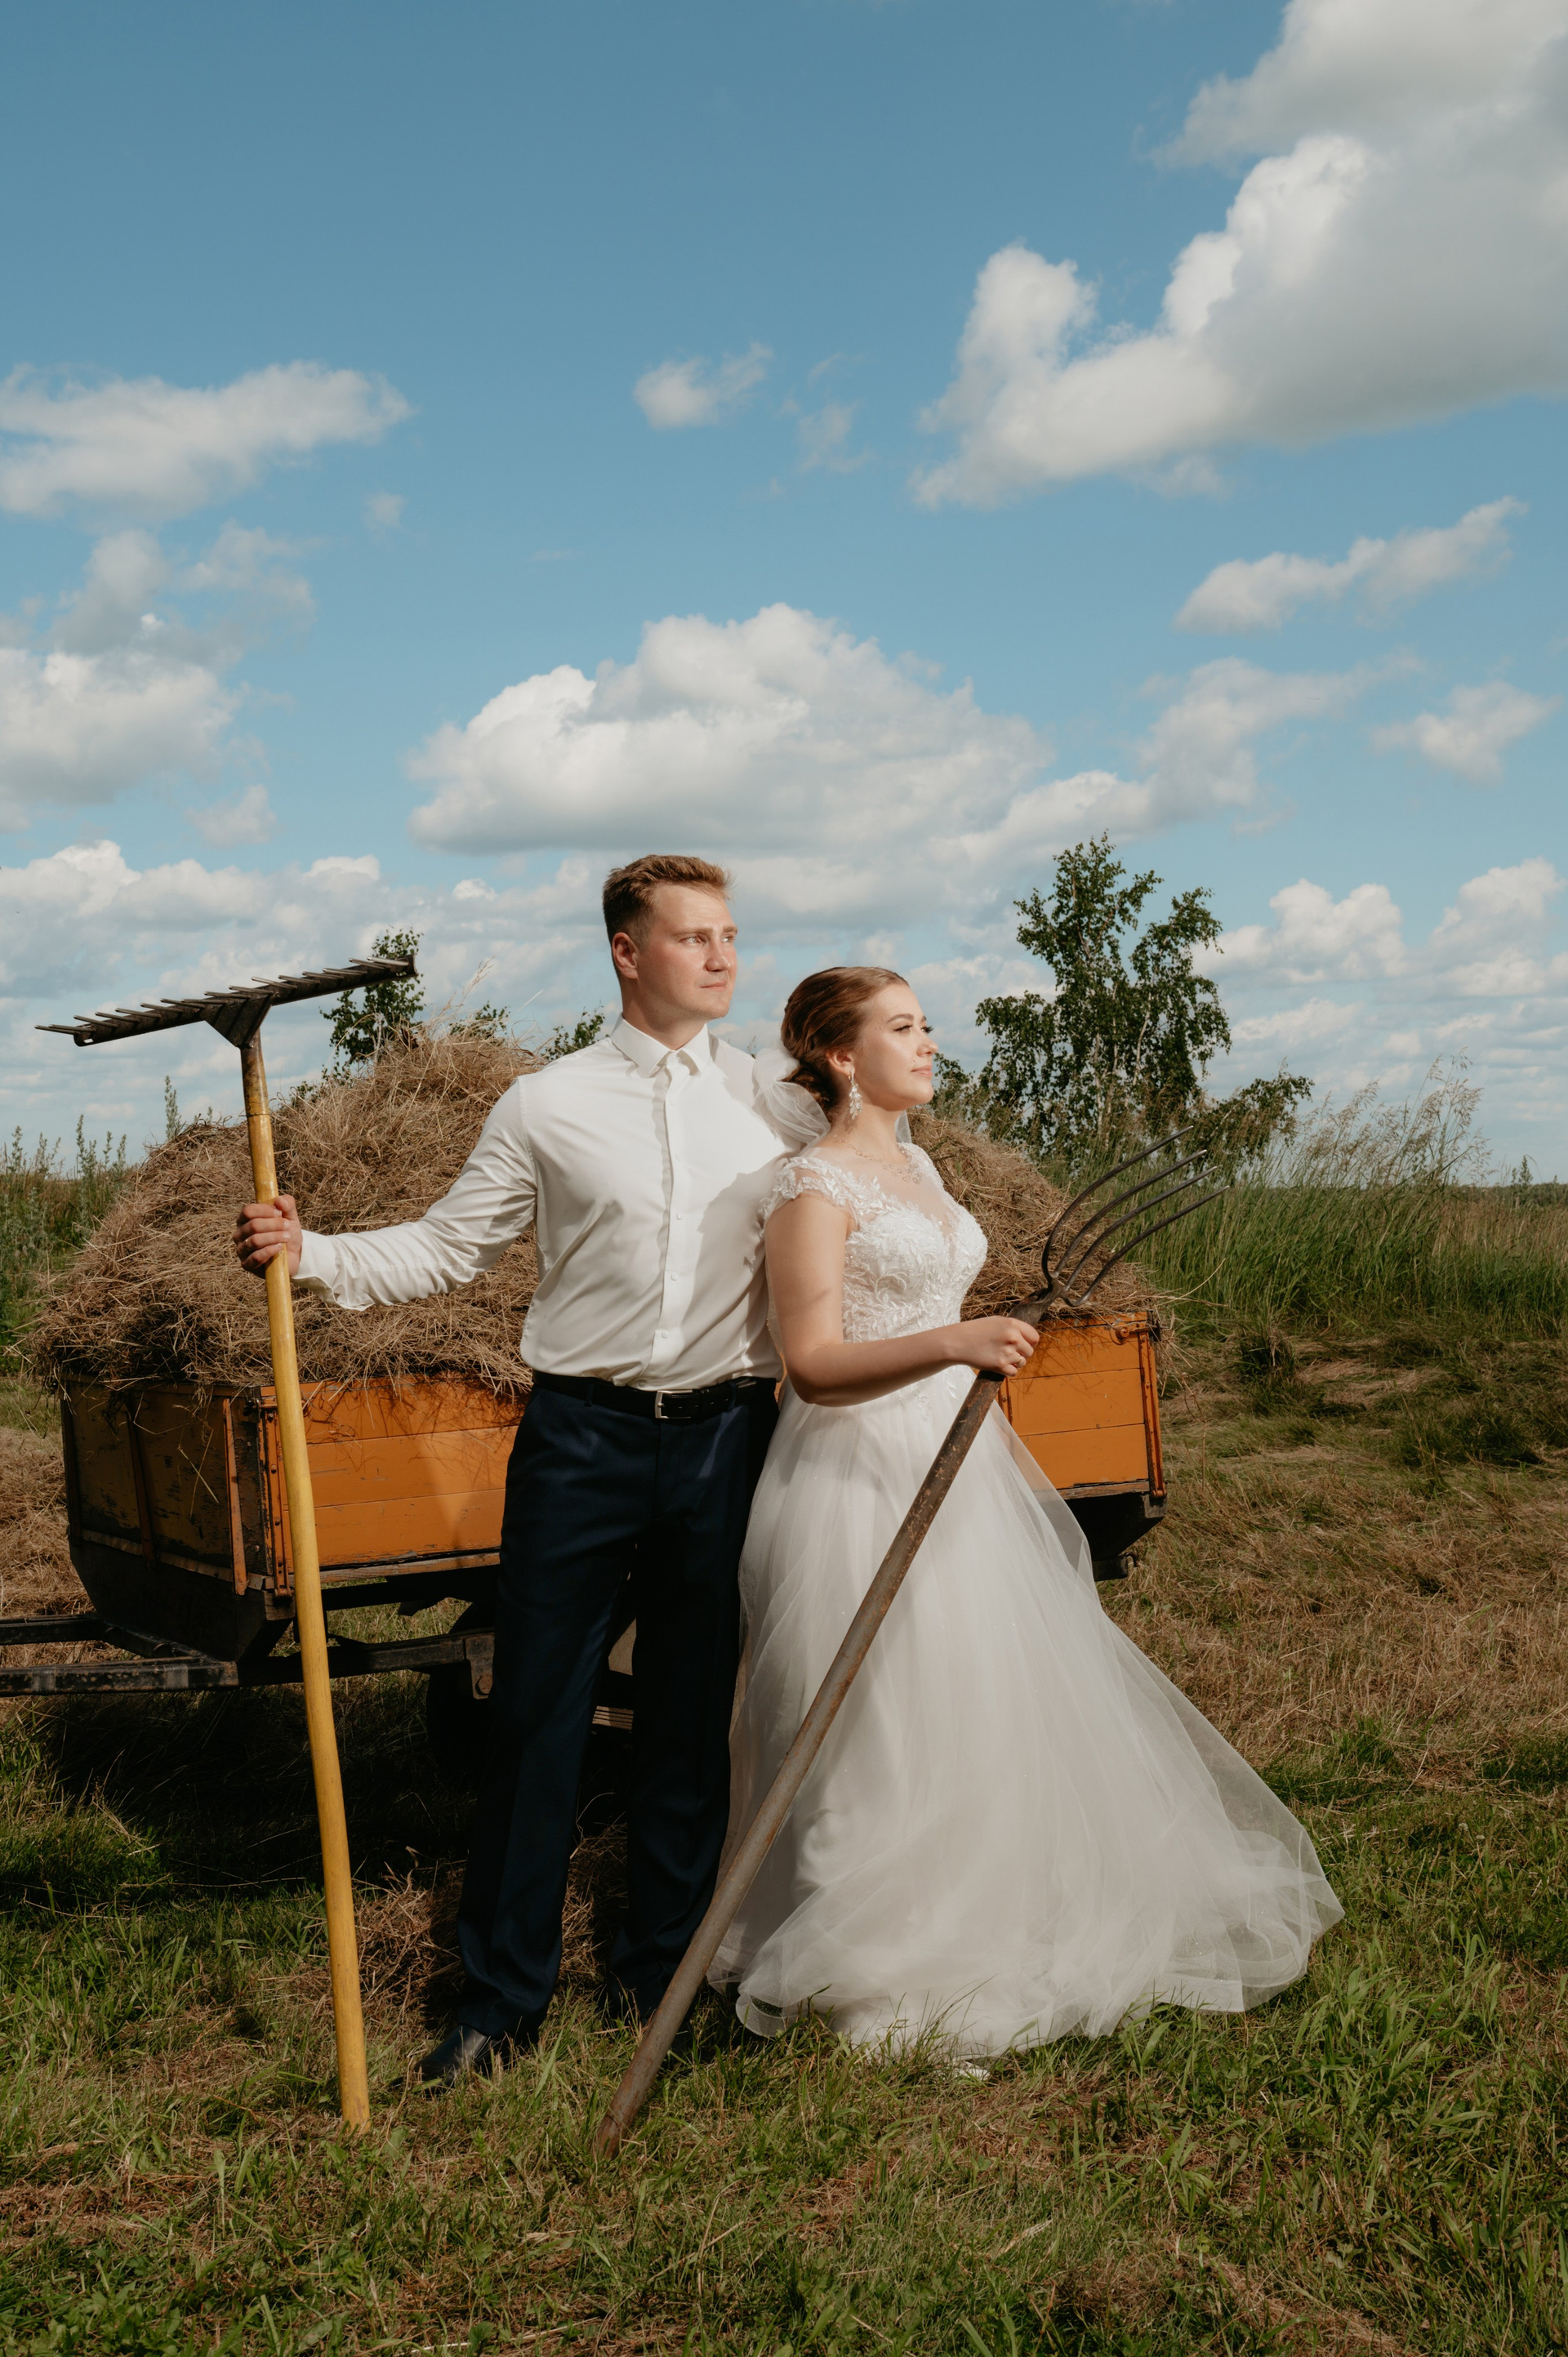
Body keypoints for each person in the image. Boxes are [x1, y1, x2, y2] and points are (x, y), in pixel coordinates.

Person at [234, 854, 807, 2084]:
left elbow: (855, 1192)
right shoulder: (547, 1104)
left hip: (725, 1436)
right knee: (536, 1716)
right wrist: (310, 1249)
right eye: (694, 937)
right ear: (627, 953)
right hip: (580, 1440)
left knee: (688, 1721)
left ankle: (662, 1979)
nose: (722, 956)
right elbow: (448, 1248)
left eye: (729, 934)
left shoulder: (773, 1099)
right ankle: (499, 2002)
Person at [710, 965, 1343, 2056]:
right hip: (854, 1470)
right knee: (873, 1718)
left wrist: (966, 1352)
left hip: (955, 1459)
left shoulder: (920, 1165)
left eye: (927, 1024)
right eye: (903, 1028)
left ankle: (980, 1929)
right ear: (843, 1056)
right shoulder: (810, 1186)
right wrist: (955, 1341)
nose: (930, 1043)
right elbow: (811, 1363)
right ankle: (872, 1975)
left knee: (970, 1693)